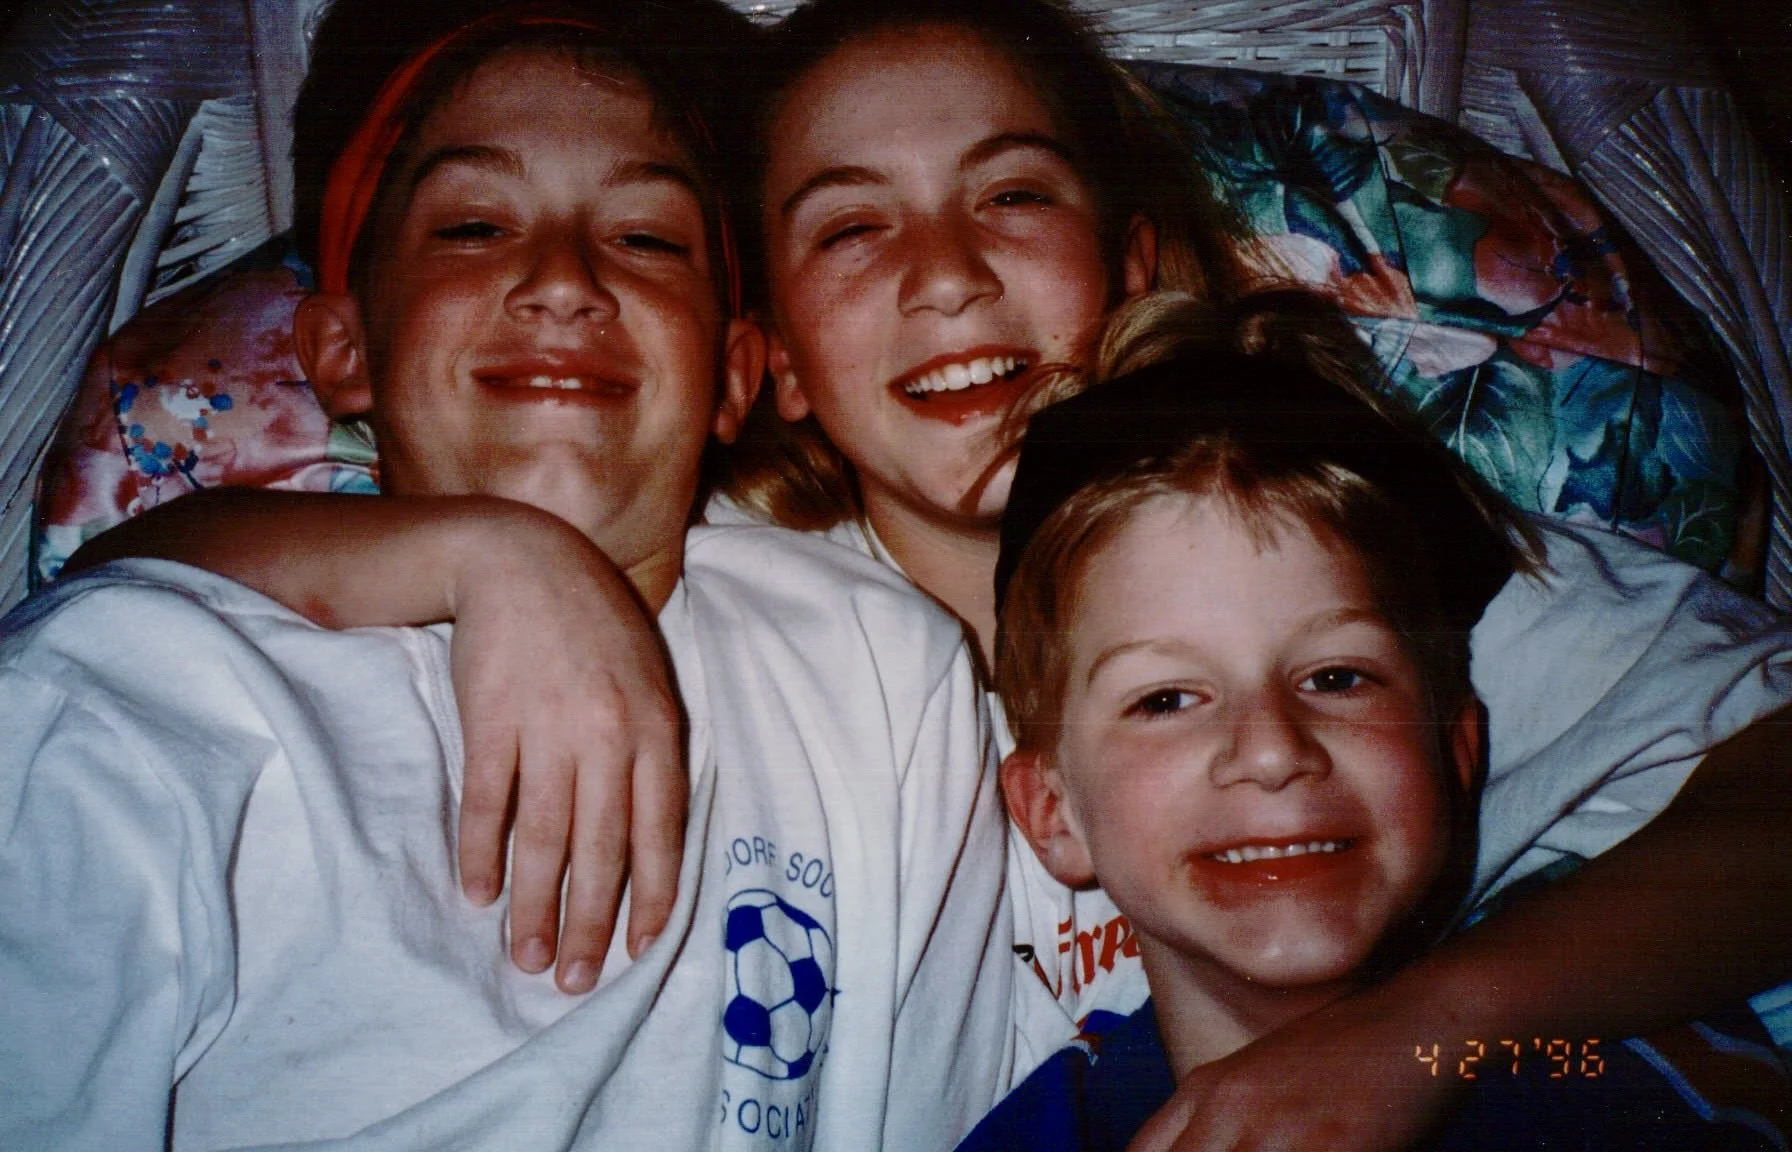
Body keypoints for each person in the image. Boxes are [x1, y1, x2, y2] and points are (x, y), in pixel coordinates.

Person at [57, 0, 1792, 1146]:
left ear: (1130, 258)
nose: (949, 278)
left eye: (1010, 199)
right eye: (851, 224)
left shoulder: (1312, 554)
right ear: (773, 358)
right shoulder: (769, 604)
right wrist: (480, 551)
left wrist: (1441, 1031)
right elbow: (112, 619)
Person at [0, 3, 1012, 1148]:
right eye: (475, 226)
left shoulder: (877, 676)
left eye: (646, 239)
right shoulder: (131, 709)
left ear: (735, 375)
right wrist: (489, 553)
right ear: (343, 351)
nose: (564, 279)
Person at [958, 292, 1788, 1151]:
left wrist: (1431, 1036)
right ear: (1052, 809)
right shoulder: (1045, 1129)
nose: (1274, 749)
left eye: (1337, 677)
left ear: (1457, 751)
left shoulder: (1612, 1068)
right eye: (1164, 699)